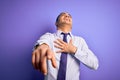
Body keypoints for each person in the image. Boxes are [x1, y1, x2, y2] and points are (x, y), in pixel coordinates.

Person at [32, 12, 99, 80]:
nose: (67, 16)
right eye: (63, 15)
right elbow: (42, 43)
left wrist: (74, 50)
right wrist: (42, 46)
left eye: (69, 15)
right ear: (56, 23)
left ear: (72, 25)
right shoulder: (49, 37)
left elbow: (94, 64)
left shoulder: (80, 41)